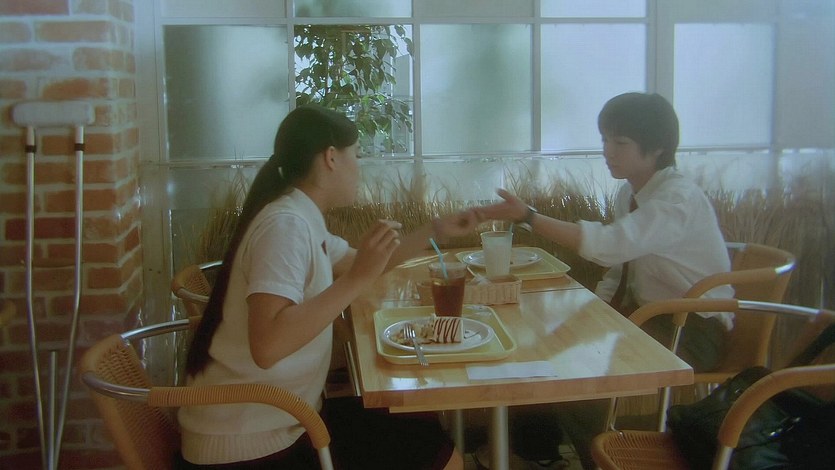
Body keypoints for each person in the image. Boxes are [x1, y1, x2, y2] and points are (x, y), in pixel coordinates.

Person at [177, 105, 479, 470]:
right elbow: (267, 346)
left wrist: (435, 230)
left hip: (281, 420)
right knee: (438, 455)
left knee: (422, 430)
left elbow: (361, 263)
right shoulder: (285, 226)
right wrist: (357, 279)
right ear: (331, 158)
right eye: (357, 155)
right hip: (250, 445)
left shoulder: (301, 217)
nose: (360, 168)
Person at [476, 92, 734, 469]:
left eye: (620, 142)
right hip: (646, 317)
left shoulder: (676, 199)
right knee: (543, 347)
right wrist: (594, 312)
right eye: (604, 140)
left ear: (657, 148)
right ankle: (540, 453)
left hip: (691, 328)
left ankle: (597, 461)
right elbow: (620, 268)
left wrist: (530, 217)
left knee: (582, 384)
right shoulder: (629, 193)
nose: (607, 152)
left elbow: (610, 247)